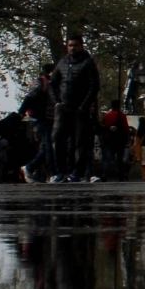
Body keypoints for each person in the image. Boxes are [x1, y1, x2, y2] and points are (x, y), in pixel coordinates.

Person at [55, 36, 101, 183]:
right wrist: (56, 101)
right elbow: (52, 83)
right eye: (70, 45)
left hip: (80, 108)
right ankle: (60, 172)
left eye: (75, 45)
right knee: (57, 138)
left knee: (80, 142)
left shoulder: (88, 63)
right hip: (64, 107)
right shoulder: (62, 63)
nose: (72, 48)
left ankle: (77, 172)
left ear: (81, 45)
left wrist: (85, 105)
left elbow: (94, 86)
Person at [17, 66, 55, 182]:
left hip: (50, 118)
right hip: (42, 118)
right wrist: (21, 112)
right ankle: (51, 173)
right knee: (48, 146)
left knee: (46, 147)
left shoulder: (51, 84)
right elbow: (29, 97)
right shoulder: (40, 83)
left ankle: (29, 168)